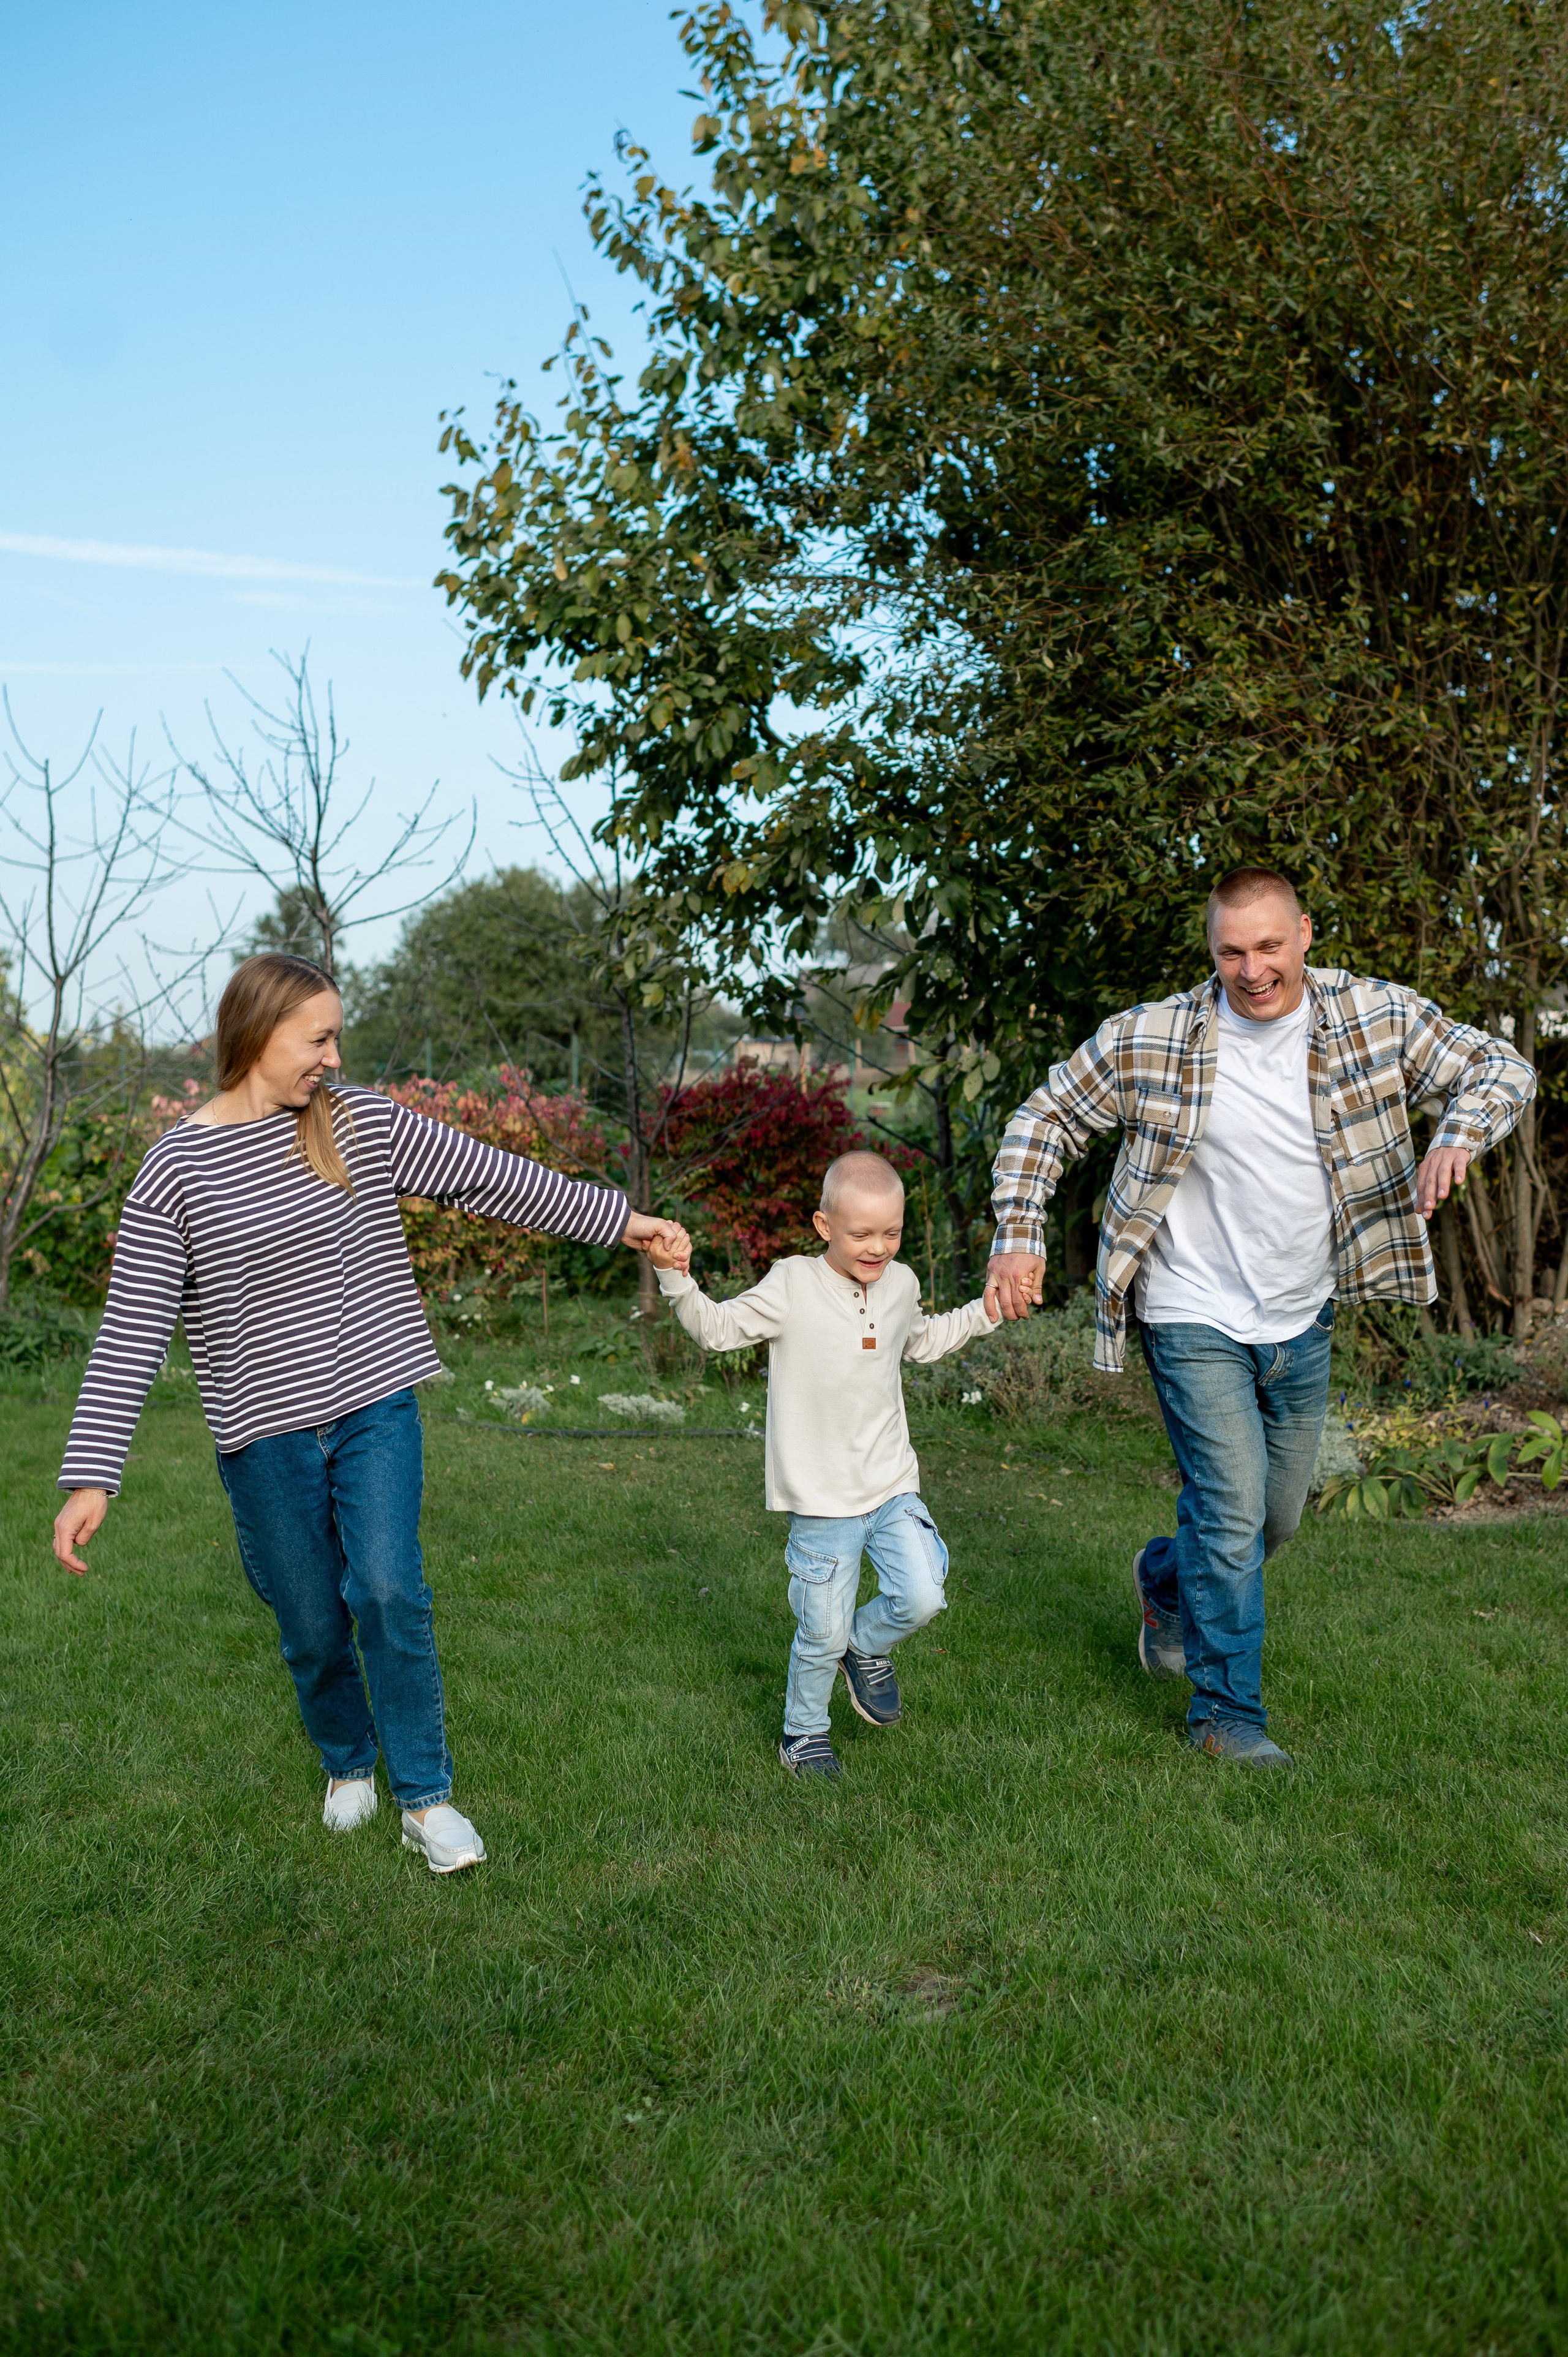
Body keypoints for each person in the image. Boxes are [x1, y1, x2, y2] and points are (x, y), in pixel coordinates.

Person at [52, 952, 687, 1871]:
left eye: (336, 1036)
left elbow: (492, 1177)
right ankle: (348, 1760)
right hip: (265, 1438)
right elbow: (133, 1326)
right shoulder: (176, 1169)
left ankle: (427, 1800)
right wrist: (90, 1475)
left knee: (388, 1590)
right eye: (318, 1038)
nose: (333, 1057)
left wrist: (623, 1221)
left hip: (371, 1402)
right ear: (258, 1035)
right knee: (310, 1624)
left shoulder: (357, 1123)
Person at [986, 869, 1535, 1768]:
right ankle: (1225, 1716)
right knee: (1236, 1511)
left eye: (1269, 946)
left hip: (1299, 1315)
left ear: (1306, 935)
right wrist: (1018, 1234)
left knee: (1273, 1522)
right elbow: (1044, 1117)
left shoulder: (1373, 1016)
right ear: (1213, 953)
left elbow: (1502, 1066)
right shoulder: (1155, 1036)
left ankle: (1164, 1582)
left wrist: (1458, 1132)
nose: (1252, 969)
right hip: (1188, 1308)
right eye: (1231, 951)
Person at [646, 1149, 998, 1779]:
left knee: (922, 1594)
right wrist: (677, 1277)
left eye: (890, 1232)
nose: (877, 1247)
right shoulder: (792, 1283)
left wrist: (986, 1311)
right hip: (821, 1503)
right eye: (860, 1233)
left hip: (890, 1483)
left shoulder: (901, 1284)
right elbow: (718, 1330)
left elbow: (917, 1339)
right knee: (819, 1635)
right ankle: (803, 1734)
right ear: (823, 1225)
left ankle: (866, 1647)